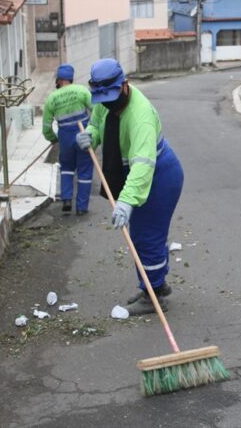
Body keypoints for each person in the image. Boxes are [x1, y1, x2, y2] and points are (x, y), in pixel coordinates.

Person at [76, 58, 184, 314]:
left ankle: (153, 294)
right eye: (103, 97)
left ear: (125, 84)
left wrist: (126, 200)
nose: (108, 102)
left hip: (158, 175)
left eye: (112, 95)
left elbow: (143, 166)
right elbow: (97, 121)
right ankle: (156, 284)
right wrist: (91, 134)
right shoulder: (106, 101)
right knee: (141, 236)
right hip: (136, 174)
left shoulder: (140, 116)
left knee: (146, 236)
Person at [42, 64, 93, 215]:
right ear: (71, 78)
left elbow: (46, 126)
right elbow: (97, 111)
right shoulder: (82, 91)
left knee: (67, 168)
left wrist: (53, 139)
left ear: (59, 80)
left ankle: (66, 200)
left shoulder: (52, 98)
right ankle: (82, 207)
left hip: (64, 135)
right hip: (83, 133)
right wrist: (93, 131)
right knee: (84, 170)